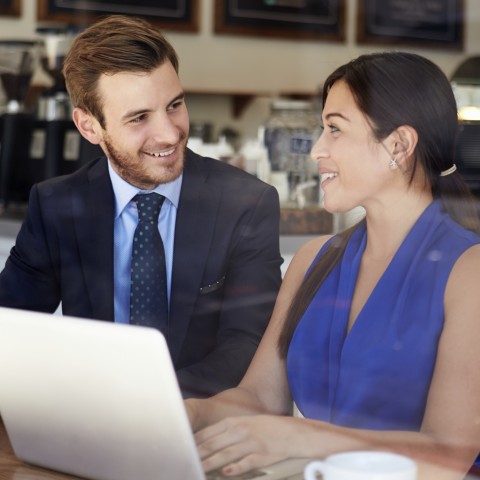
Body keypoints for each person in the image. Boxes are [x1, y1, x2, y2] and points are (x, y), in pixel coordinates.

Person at [186, 52, 480, 479]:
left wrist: (299, 437)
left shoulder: (468, 272)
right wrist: (189, 413)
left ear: (398, 144)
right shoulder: (313, 261)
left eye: (334, 129)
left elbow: (450, 453)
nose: (317, 150)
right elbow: (258, 400)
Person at [0, 15, 283, 399]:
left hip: (202, 423)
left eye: (175, 105)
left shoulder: (247, 203)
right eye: (139, 118)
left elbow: (248, 344)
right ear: (89, 127)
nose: (168, 133)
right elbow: (12, 329)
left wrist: (148, 402)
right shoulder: (56, 206)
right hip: (88, 416)